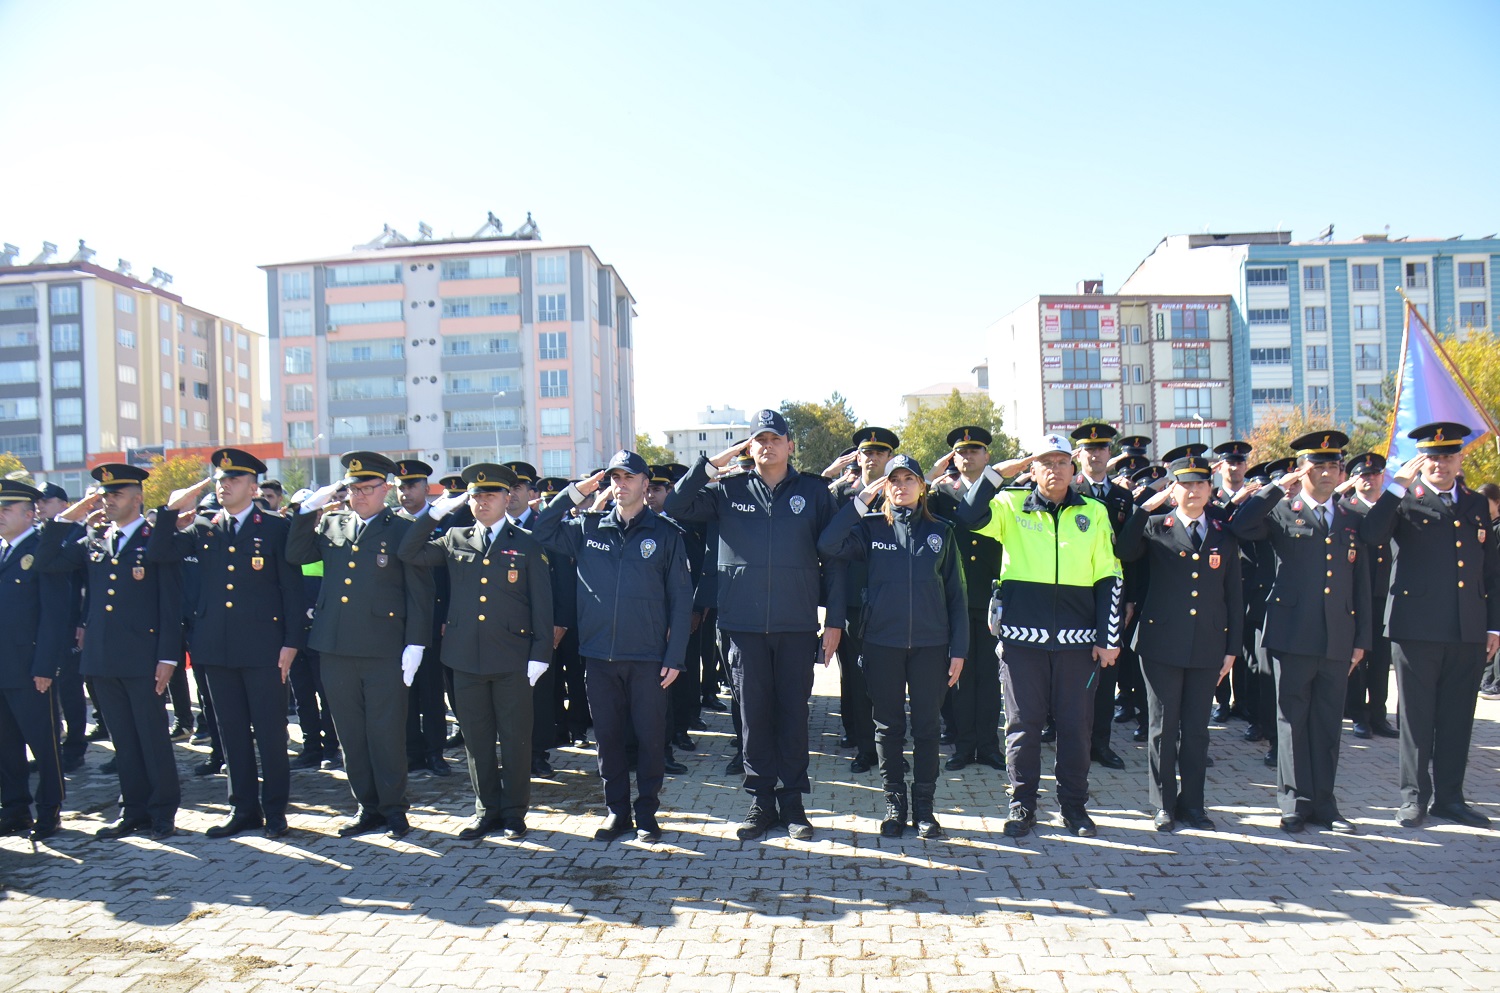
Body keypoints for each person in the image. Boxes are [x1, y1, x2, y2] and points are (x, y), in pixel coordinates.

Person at [665, 408, 845, 842]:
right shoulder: (727, 491)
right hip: (742, 625)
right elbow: (676, 503)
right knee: (752, 717)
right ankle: (760, 802)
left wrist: (834, 621)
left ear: (790, 445)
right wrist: (718, 461)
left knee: (793, 716)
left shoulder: (815, 493)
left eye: (775, 439)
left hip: (796, 624)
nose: (767, 446)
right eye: (758, 440)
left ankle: (794, 804)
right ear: (750, 447)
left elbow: (836, 560)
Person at [954, 433, 1123, 838]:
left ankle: (1074, 807)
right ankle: (1022, 804)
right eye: (1045, 462)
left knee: (1075, 728)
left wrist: (1109, 636)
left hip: (1078, 646)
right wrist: (1002, 471)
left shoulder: (1095, 512)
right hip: (1021, 644)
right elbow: (968, 516)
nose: (1055, 469)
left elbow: (1110, 576)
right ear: (1032, 469)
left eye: (1062, 461)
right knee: (1022, 727)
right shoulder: (1011, 505)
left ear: (1074, 466)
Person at [533, 451, 693, 842]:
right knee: (608, 738)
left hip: (648, 657)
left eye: (629, 477)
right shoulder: (588, 528)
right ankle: (617, 812)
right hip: (599, 655)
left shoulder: (666, 534)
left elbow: (681, 598)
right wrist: (575, 492)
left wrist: (675, 657)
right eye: (615, 477)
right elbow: (542, 530)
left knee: (651, 738)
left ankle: (648, 813)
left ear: (644, 483)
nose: (621, 484)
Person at [152, 449, 305, 839]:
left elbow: (291, 589)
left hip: (263, 648)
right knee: (231, 732)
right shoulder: (203, 527)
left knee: (270, 732)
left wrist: (291, 642)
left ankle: (275, 812)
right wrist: (173, 510)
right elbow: (159, 552)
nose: (224, 486)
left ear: (253, 487)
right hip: (215, 649)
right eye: (220, 480)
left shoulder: (273, 526)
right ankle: (243, 810)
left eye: (233, 480)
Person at [398, 463, 552, 840]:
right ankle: (487, 810)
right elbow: (409, 551)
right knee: (477, 740)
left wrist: (540, 654)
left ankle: (514, 813)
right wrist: (438, 510)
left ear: (506, 497)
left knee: (515, 739)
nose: (483, 501)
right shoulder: (454, 537)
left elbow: (542, 605)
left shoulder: (527, 544)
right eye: (476, 495)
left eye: (491, 494)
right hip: (464, 657)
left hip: (512, 657)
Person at [286, 451, 435, 839]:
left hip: (384, 647)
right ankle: (366, 807)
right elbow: (296, 553)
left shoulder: (401, 528)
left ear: (385, 489)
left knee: (385, 732)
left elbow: (420, 594)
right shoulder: (333, 523)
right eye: (353, 488)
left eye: (368, 488)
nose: (360, 495)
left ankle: (394, 808)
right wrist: (309, 508)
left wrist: (416, 644)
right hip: (335, 646)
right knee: (351, 732)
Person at [819, 453, 967, 839]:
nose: (901, 486)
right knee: (888, 728)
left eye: (909, 479)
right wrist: (861, 500)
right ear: (885, 487)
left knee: (927, 728)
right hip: (881, 642)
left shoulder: (943, 532)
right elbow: (828, 543)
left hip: (931, 645)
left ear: (922, 486)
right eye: (893, 480)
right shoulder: (870, 529)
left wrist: (959, 648)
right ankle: (894, 805)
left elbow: (956, 596)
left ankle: (925, 810)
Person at [1361, 422, 1500, 829]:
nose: (1441, 464)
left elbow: (1491, 571)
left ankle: (1451, 798)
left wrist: (1494, 626)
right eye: (1433, 457)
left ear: (1460, 460)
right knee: (1417, 718)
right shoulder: (1404, 500)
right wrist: (1396, 486)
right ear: (1421, 460)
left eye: (1449, 457)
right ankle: (1413, 798)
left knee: (1458, 716)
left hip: (1468, 629)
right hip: (1416, 628)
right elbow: (1371, 535)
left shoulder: (1475, 504)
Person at [1230, 431, 1370, 834]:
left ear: (1342, 471)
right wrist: (1276, 487)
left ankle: (1326, 805)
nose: (1326, 473)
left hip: (1337, 637)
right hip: (1292, 634)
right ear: (1301, 469)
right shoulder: (1280, 512)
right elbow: (1241, 525)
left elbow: (1359, 581)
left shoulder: (1350, 517)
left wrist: (1361, 639)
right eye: (1317, 465)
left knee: (1327, 724)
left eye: (1333, 466)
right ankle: (1294, 802)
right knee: (1291, 721)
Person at [36, 464, 184, 840]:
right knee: (122, 739)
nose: (107, 500)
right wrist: (72, 515)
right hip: (101, 658)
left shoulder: (154, 540)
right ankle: (132, 809)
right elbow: (47, 560)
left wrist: (168, 657)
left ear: (137, 498)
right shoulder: (95, 540)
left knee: (151, 737)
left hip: (143, 657)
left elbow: (170, 603)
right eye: (103, 494)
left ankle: (162, 811)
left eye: (115, 494)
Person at [1117, 456, 1241, 832]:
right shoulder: (1157, 526)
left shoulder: (1222, 530)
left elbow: (1233, 594)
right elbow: (1123, 551)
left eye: (1201, 484)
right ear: (1175, 489)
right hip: (1161, 643)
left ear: (1210, 489)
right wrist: (1143, 508)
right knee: (1162, 727)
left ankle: (1194, 805)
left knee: (1197, 730)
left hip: (1207, 644)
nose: (1193, 491)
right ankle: (1163, 805)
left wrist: (1232, 648)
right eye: (1186, 485)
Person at [925, 426, 1005, 773]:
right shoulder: (941, 492)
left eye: (975, 450)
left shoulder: (1001, 493)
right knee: (958, 676)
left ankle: (988, 746)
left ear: (987, 456)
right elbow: (913, 504)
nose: (968, 456)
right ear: (952, 458)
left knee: (989, 676)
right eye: (962, 451)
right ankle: (963, 744)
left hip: (989, 595)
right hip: (952, 596)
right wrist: (931, 474)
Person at [0, 479, 71, 842]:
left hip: (30, 669)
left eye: (7, 508)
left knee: (43, 744)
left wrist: (45, 666)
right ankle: (14, 809)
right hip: (2, 667)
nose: (0, 515)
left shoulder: (42, 550)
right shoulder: (1, 549)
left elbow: (54, 616)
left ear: (29, 514)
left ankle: (50, 810)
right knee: (5, 745)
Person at [827, 426, 899, 774]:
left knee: (890, 678)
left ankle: (891, 746)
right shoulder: (842, 494)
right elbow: (833, 555)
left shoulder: (901, 490)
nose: (872, 458)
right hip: (854, 600)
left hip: (892, 600)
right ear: (858, 457)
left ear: (888, 457)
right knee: (855, 678)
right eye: (867, 453)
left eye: (880, 453)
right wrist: (835, 614)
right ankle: (862, 744)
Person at [1070, 423, 1134, 771]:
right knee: (1074, 672)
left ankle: (1101, 744)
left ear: (1110, 453)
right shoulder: (1070, 489)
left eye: (1101, 448)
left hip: (1111, 591)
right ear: (1078, 454)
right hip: (1076, 591)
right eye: (1088, 449)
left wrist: (1129, 598)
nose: (1095, 454)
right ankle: (1073, 740)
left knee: (1107, 672)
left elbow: (1130, 554)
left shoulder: (1123, 496)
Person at [392, 459, 452, 779]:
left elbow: (451, 577)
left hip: (434, 619)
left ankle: (434, 752)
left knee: (431, 690)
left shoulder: (446, 522)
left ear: (426, 489)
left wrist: (446, 616)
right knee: (404, 689)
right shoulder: (392, 523)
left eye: (411, 486)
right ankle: (411, 751)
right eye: (401, 487)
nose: (405, 492)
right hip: (399, 620)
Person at [1337, 453, 1399, 738]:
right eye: (1363, 475)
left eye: (1374, 475)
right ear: (1354, 479)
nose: (1369, 479)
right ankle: (1358, 714)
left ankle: (1378, 714)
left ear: (1382, 477)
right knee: (1357, 656)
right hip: (1355, 595)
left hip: (1385, 593)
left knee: (1381, 658)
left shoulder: (1392, 509)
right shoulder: (1345, 509)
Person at [1209, 440, 1255, 723]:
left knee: (1247, 646)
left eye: (1240, 462)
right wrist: (1231, 503)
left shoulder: (1255, 498)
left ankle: (1245, 700)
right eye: (1230, 462)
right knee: (1220, 640)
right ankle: (1222, 701)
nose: (1235, 467)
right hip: (1218, 580)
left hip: (1249, 579)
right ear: (1220, 467)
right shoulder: (1211, 499)